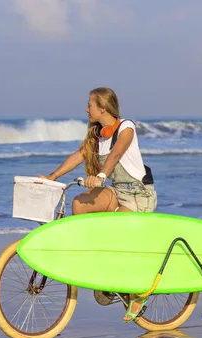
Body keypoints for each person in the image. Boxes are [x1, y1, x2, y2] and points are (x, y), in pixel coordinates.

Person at [39, 87, 157, 323]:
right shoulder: (97, 133)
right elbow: (78, 155)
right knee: (80, 203)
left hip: (138, 195)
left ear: (102, 108)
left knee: (115, 232)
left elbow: (115, 154)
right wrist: (52, 178)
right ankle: (96, 261)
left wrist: (101, 175)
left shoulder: (126, 128)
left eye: (89, 105)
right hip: (117, 191)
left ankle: (137, 293)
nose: (86, 109)